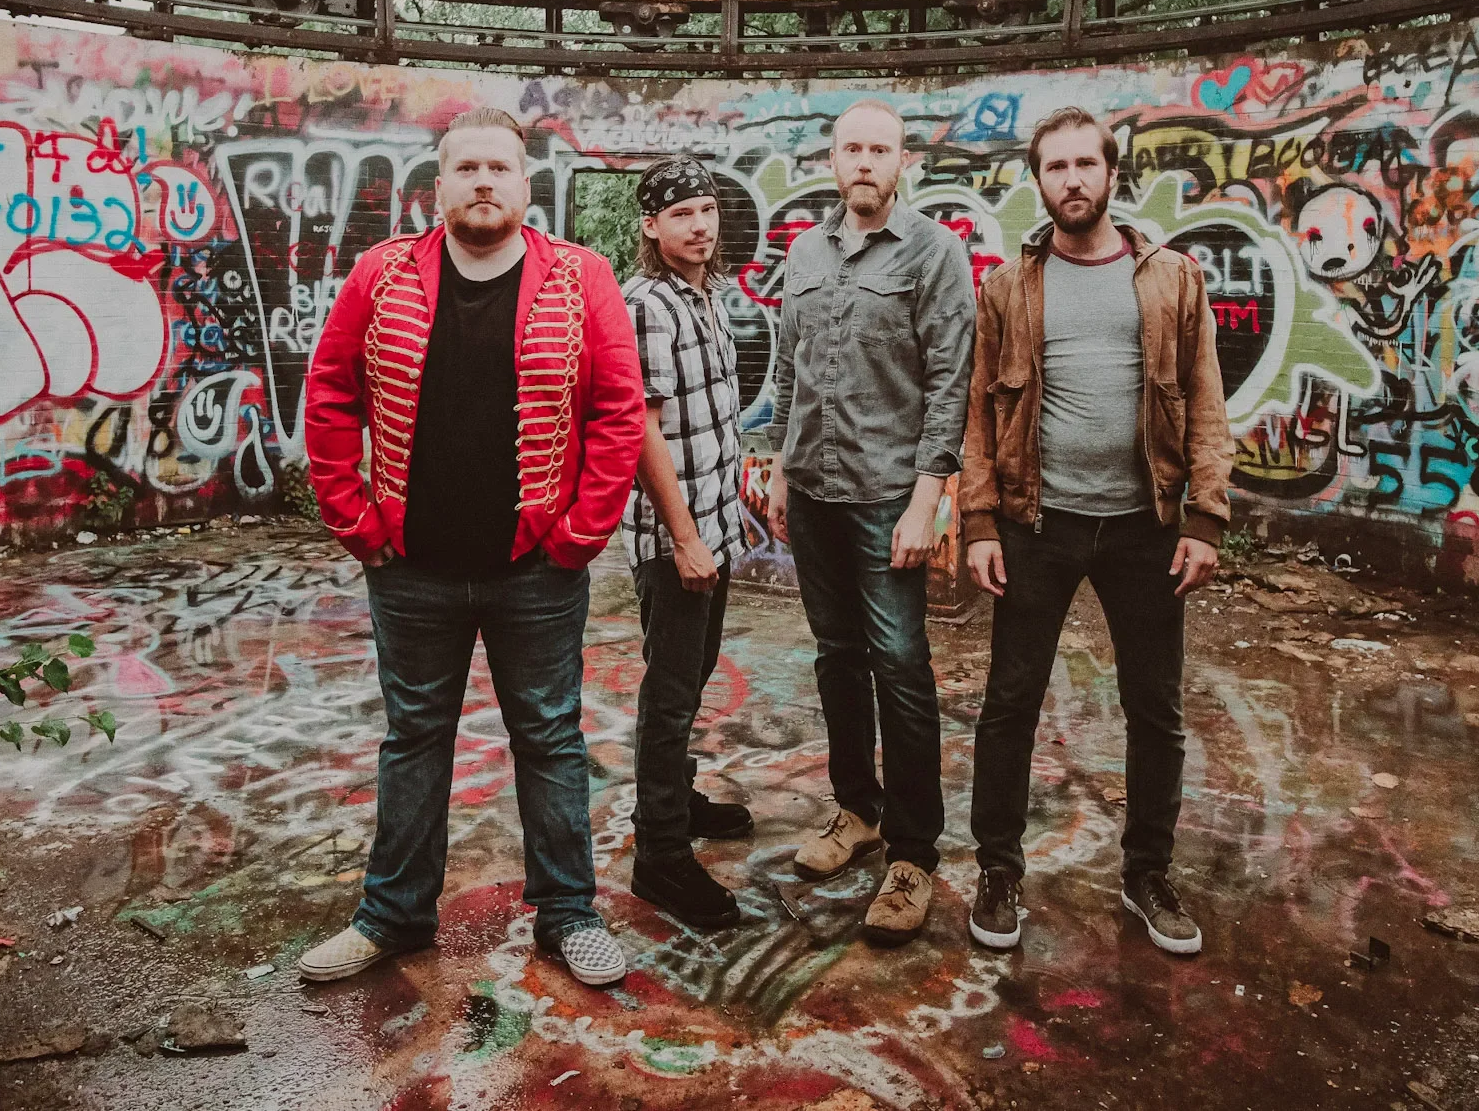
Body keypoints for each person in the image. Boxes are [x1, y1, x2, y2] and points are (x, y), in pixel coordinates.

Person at [296, 107, 644, 987]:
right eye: (467, 168)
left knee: (551, 739)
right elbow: (330, 394)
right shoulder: (380, 274)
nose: (484, 181)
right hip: (411, 567)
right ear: (439, 184)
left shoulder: (582, 277)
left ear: (525, 184)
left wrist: (579, 537)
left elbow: (618, 412)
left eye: (500, 167)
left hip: (537, 571)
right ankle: (392, 916)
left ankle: (568, 914)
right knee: (414, 739)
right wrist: (355, 522)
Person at [959, 106, 1233, 958]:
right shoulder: (1007, 288)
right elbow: (978, 412)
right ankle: (999, 870)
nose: (1072, 179)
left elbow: (1206, 399)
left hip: (1146, 527)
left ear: (1113, 174)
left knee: (1155, 709)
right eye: (1056, 167)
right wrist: (979, 522)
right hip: (1036, 524)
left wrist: (1206, 518)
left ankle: (1147, 872)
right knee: (1010, 704)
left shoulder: (1172, 278)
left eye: (1086, 164)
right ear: (1037, 182)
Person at [765, 100, 976, 946]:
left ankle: (914, 851)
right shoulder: (804, 253)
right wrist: (779, 469)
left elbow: (950, 381)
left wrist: (928, 501)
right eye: (851, 148)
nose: (864, 162)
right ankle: (857, 811)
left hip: (889, 495)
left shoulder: (935, 252)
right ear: (832, 159)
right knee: (838, 658)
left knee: (900, 664)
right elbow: (789, 368)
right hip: (813, 490)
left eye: (879, 149)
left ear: (902, 163)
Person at [620, 157, 753, 930]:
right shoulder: (648, 305)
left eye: (706, 210)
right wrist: (684, 538)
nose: (699, 226)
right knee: (670, 693)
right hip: (678, 540)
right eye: (681, 214)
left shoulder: (705, 293)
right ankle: (660, 855)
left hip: (714, 527)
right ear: (651, 225)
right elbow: (642, 430)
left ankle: (675, 797)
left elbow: (710, 419)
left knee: (693, 673)